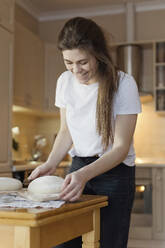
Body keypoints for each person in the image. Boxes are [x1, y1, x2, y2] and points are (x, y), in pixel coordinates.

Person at [28, 17, 141, 248]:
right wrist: (50, 163)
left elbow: (120, 148)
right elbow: (66, 131)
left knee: (108, 243)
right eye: (68, 62)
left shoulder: (123, 84)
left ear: (97, 54)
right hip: (78, 167)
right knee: (65, 240)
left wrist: (83, 175)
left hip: (114, 173)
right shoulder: (64, 81)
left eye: (82, 62)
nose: (76, 70)